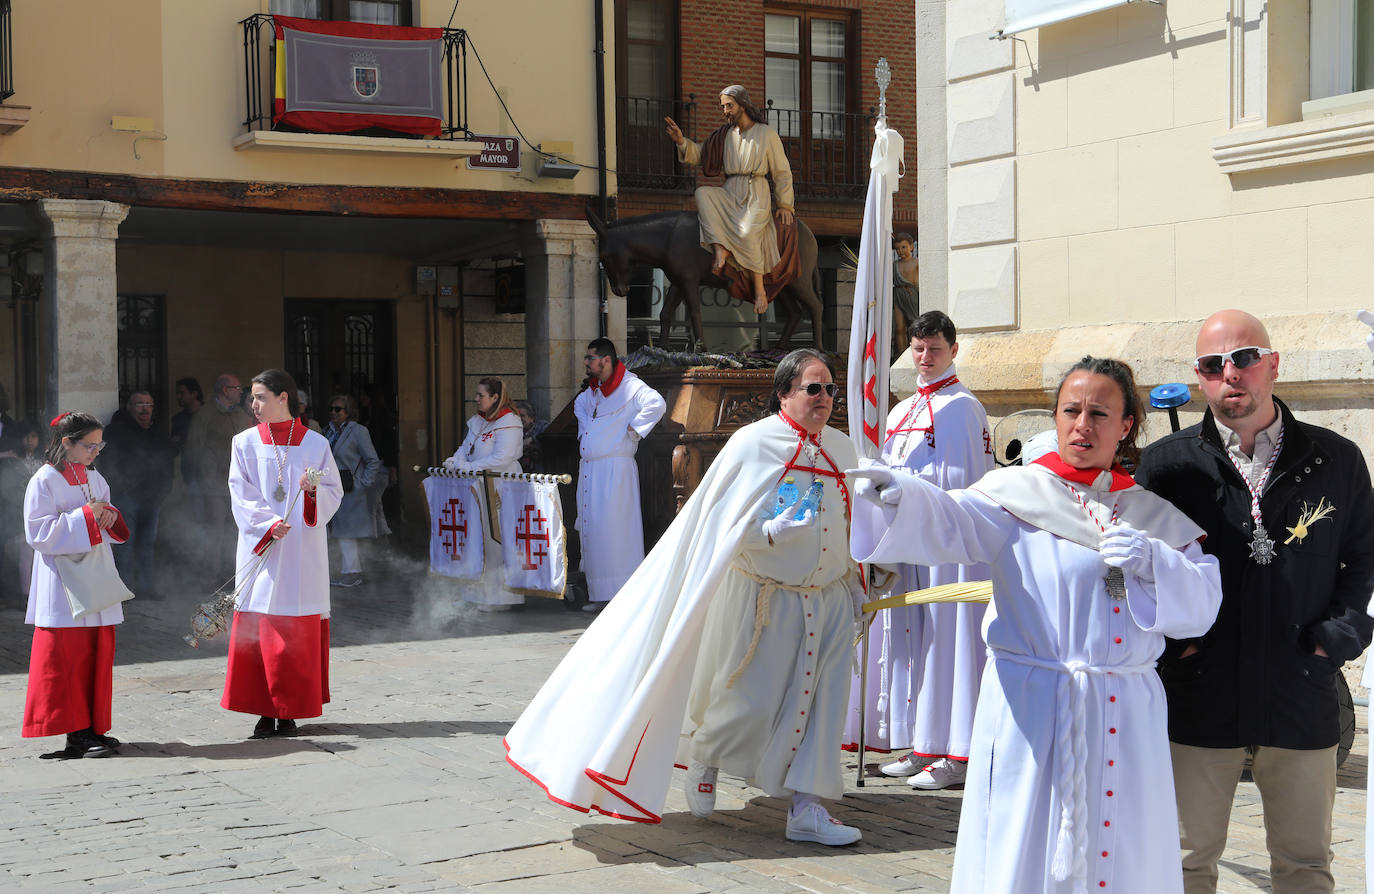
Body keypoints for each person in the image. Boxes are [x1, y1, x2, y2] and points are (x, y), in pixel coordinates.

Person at [851, 356, 1223, 893]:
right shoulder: (1017, 494)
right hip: (1035, 707)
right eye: (1071, 410)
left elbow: (1202, 608)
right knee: (1025, 847)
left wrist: (1151, 560)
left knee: (1126, 852)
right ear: (1054, 417)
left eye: (1100, 413)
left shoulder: (1152, 517)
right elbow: (950, 520)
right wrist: (898, 495)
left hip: (1126, 708)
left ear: (1126, 427)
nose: (1083, 424)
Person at [506, 348, 866, 845]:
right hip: (766, 601)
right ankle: (707, 756)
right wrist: (765, 532)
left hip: (825, 601)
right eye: (813, 388)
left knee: (824, 707)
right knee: (748, 702)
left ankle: (807, 808)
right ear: (784, 393)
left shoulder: (844, 450)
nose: (824, 397)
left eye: (830, 389)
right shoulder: (752, 443)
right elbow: (716, 522)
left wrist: (854, 579)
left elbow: (856, 521)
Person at [1134, 310, 1374, 894]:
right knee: (1182, 863)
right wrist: (1174, 654)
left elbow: (1363, 556)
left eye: (1244, 358)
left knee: (1304, 866)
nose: (1230, 375)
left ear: (1271, 365)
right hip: (1198, 693)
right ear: (1199, 377)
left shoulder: (1335, 460)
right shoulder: (1168, 467)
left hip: (1300, 688)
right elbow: (1139, 575)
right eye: (1214, 365)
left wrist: (1332, 640)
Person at [846, 311, 993, 791]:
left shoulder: (961, 407)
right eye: (918, 348)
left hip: (944, 544)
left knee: (948, 644)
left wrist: (905, 493)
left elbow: (959, 481)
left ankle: (957, 751)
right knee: (910, 644)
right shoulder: (900, 409)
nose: (925, 357)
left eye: (934, 348)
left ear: (953, 349)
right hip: (905, 540)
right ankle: (922, 744)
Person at [222, 369, 342, 740]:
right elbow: (239, 492)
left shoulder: (316, 444)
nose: (253, 405)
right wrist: (266, 524)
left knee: (293, 626)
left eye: (260, 397)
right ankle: (263, 710)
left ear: (283, 398)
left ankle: (288, 710)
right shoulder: (243, 442)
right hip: (263, 547)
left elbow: (333, 493)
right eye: (252, 398)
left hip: (301, 550)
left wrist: (310, 494)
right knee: (259, 625)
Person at [22, 412, 131, 759]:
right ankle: (76, 734)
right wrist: (87, 515)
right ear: (66, 443)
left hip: (95, 577)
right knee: (68, 661)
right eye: (89, 445)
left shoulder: (95, 477)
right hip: (61, 583)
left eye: (100, 445)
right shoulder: (44, 479)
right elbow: (38, 533)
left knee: (96, 655)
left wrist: (109, 516)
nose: (96, 451)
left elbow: (107, 522)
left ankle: (94, 726)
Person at [666, 84, 796, 314]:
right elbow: (701, 155)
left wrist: (785, 204)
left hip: (756, 191)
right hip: (730, 189)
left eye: (729, 106)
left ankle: (759, 290)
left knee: (747, 231)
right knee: (703, 193)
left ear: (742, 104)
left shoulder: (766, 134)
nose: (725, 111)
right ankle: (720, 249)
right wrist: (681, 142)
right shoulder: (724, 135)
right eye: (723, 106)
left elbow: (782, 172)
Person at [573, 338, 666, 612]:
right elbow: (580, 407)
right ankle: (600, 594)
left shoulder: (630, 386)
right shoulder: (592, 392)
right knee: (595, 530)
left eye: (591, 358)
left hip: (616, 470)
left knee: (616, 532)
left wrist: (634, 430)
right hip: (591, 469)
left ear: (605, 359)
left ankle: (623, 598)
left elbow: (656, 403)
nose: (587, 363)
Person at [443, 377, 524, 610]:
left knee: (495, 540)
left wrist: (468, 467)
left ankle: (500, 598)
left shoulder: (510, 420)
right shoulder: (480, 421)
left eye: (481, 395)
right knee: (477, 539)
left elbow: (502, 458)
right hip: (477, 485)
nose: (476, 399)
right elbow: (466, 447)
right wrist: (455, 460)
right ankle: (476, 594)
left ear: (495, 397)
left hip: (499, 486)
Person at [101, 391, 174, 594]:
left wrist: (164, 489)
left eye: (148, 404)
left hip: (152, 497)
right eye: (139, 404)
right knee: (125, 543)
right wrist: (121, 487)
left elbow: (167, 463)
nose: (144, 408)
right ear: (130, 408)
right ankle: (123, 588)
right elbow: (108, 463)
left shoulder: (158, 431)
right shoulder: (116, 431)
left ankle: (145, 587)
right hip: (126, 497)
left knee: (147, 544)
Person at [185, 373, 254, 582]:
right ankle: (209, 577)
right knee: (215, 531)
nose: (241, 391)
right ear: (225, 390)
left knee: (235, 530)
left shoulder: (241, 414)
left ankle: (231, 575)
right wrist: (200, 476)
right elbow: (193, 448)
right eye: (237, 388)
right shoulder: (205, 414)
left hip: (238, 483)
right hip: (213, 484)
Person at [324, 394, 382, 589]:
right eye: (331, 408)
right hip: (332, 486)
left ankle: (352, 573)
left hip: (351, 487)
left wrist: (363, 483)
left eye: (338, 409)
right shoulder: (327, 431)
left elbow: (372, 460)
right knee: (338, 532)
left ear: (348, 411)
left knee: (347, 533)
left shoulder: (358, 431)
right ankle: (346, 571)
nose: (333, 412)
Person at [1, 421, 43, 595]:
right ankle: (26, 594)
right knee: (25, 554)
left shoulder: (43, 459)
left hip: (40, 512)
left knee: (37, 555)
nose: (30, 440)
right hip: (17, 513)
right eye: (26, 436)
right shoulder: (10, 458)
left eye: (34, 436)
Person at [892, 233, 919, 355]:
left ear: (911, 247)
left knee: (914, 325)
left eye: (903, 247)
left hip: (912, 295)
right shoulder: (895, 265)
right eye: (897, 248)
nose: (900, 251)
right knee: (899, 327)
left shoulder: (917, 262)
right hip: (898, 296)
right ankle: (901, 354)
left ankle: (914, 350)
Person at [514, 399, 546, 474]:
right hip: (520, 472)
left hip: (539, 471)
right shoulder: (514, 431)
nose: (519, 419)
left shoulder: (541, 426)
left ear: (531, 417)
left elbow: (547, 438)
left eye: (522, 416)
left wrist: (532, 439)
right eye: (517, 416)